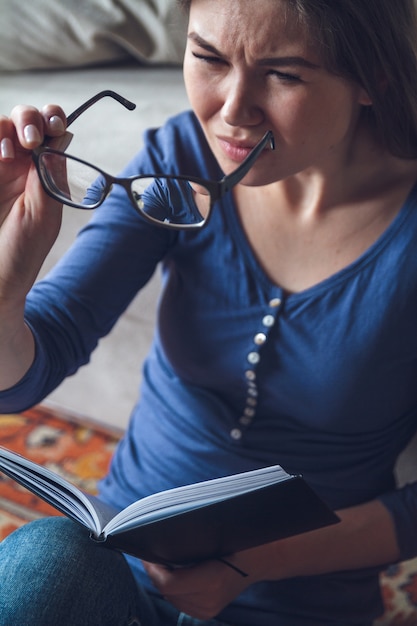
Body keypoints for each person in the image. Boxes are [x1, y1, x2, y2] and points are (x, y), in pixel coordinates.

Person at [0, 0, 417, 624]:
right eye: (208, 57)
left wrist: (258, 563)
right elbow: (27, 373)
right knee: (45, 563)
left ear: (371, 76)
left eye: (284, 74)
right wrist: (13, 266)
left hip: (294, 600)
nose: (231, 111)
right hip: (121, 563)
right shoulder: (176, 162)